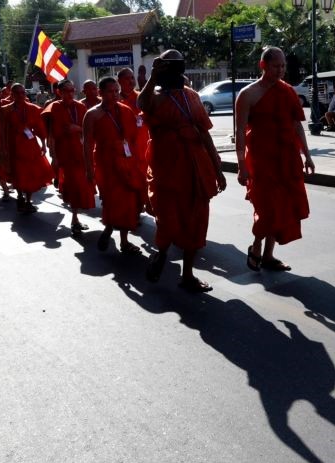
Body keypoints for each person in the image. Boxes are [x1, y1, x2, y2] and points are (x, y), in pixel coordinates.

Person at [138, 49, 227, 292]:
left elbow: (205, 133)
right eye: (169, 66)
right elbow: (141, 104)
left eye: (176, 65)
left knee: (196, 221)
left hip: (196, 168)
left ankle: (187, 275)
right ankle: (162, 251)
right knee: (169, 220)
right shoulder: (154, 96)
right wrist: (154, 76)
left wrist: (217, 169)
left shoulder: (192, 96)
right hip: (167, 168)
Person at [235, 47, 314, 272]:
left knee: (281, 208)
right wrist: (241, 165)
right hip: (261, 161)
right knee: (267, 207)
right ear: (263, 66)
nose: (280, 70)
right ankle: (256, 246)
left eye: (283, 66)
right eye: (275, 66)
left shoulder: (287, 91)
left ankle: (268, 255)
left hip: (286, 160)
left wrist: (307, 155)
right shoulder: (248, 94)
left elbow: (297, 124)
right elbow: (240, 131)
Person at [82, 76, 144, 253]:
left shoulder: (125, 110)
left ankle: (124, 241)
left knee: (129, 201)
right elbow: (87, 144)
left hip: (127, 162)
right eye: (110, 91)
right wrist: (89, 170)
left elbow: (132, 139)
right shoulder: (92, 114)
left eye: (117, 91)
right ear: (100, 93)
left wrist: (136, 162)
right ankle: (109, 227)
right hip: (106, 163)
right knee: (111, 200)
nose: (115, 94)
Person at [41, 79, 94, 234]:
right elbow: (51, 134)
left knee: (84, 184)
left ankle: (76, 217)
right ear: (60, 92)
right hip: (66, 153)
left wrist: (76, 128)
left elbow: (88, 130)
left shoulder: (80, 107)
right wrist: (54, 156)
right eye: (67, 91)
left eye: (72, 91)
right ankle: (75, 218)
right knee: (73, 186)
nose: (70, 94)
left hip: (82, 152)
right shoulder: (54, 108)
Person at [0, 83, 54, 213]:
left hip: (30, 146)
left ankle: (28, 200)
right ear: (11, 95)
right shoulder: (5, 110)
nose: (20, 95)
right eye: (17, 93)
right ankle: (19, 196)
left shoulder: (33, 108)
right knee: (17, 173)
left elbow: (40, 128)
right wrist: (2, 148)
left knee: (30, 174)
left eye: (23, 93)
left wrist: (44, 144)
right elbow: (2, 131)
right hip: (13, 145)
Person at [117, 67, 150, 213]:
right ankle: (134, 210)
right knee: (131, 181)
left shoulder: (141, 97)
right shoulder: (115, 100)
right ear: (119, 81)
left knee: (146, 180)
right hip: (126, 149)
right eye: (127, 78)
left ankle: (149, 207)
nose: (131, 81)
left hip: (143, 148)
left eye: (132, 78)